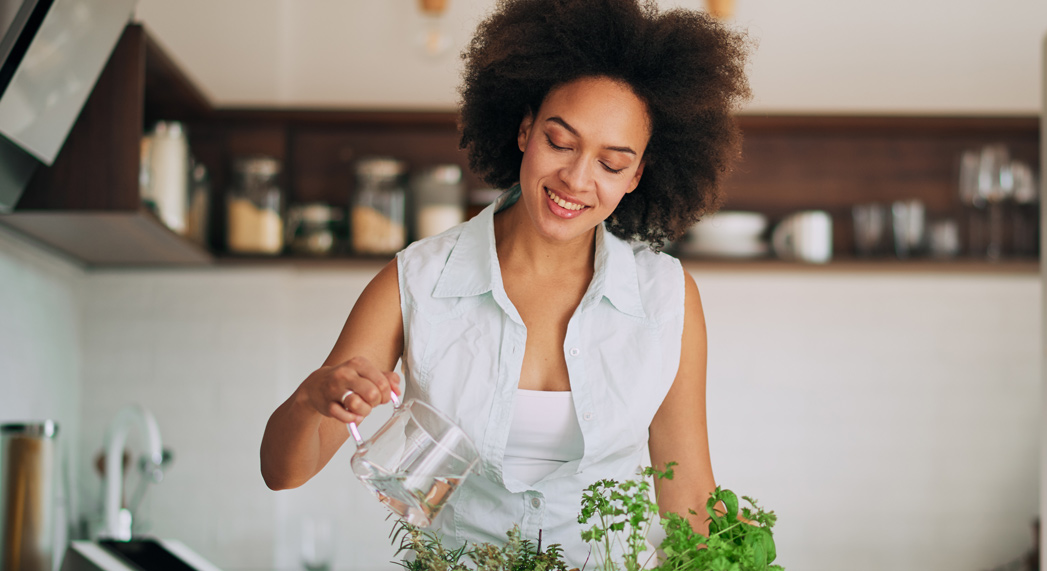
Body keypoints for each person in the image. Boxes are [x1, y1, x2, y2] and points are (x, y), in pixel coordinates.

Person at [259, 0, 750, 567]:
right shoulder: (415, 281)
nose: (576, 178)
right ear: (524, 130)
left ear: (637, 175)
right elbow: (283, 472)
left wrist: (735, 554)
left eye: (611, 164)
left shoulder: (666, 297)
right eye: (560, 142)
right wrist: (311, 396)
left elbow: (687, 499)